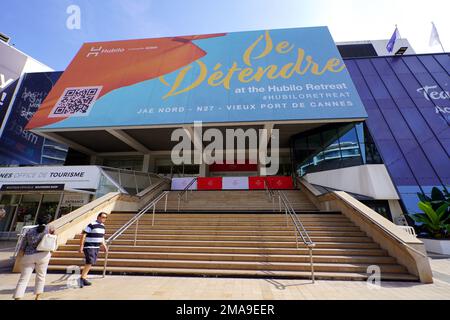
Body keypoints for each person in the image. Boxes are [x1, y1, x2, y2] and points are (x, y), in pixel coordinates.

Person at [13, 215, 55, 300]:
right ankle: (37, 296)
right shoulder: (49, 230)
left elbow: (23, 245)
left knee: (24, 278)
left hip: (29, 255)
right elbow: (54, 241)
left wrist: (19, 256)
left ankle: (18, 296)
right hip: (43, 255)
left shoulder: (30, 230)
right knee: (41, 276)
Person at [78, 212, 108, 287]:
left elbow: (102, 237)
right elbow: (84, 234)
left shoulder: (103, 226)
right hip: (89, 246)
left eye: (105, 217)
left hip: (96, 247)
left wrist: (104, 246)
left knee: (90, 262)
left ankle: (83, 278)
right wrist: (81, 246)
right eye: (102, 217)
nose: (104, 219)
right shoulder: (92, 224)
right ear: (98, 217)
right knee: (89, 262)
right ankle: (81, 279)